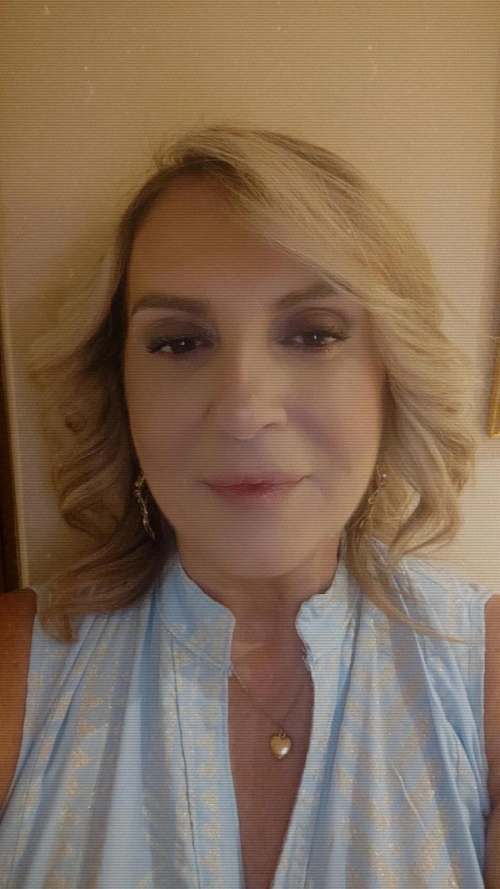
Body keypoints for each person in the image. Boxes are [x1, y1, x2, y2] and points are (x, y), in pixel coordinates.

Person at [0, 120, 499, 889]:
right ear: (119, 389)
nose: (243, 410)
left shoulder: (482, 670)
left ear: (389, 377)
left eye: (313, 334)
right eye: (178, 342)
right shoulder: (18, 668)